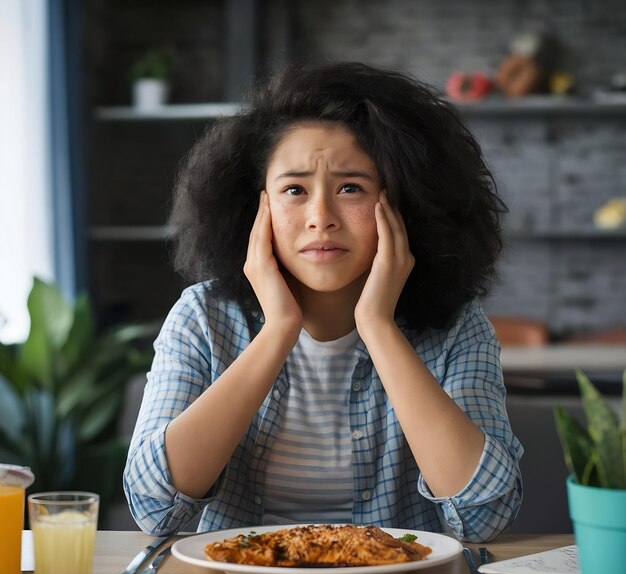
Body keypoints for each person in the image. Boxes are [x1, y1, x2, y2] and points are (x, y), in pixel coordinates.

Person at [123, 62, 523, 542]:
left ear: (403, 204)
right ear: (257, 208)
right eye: (294, 190)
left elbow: (485, 516)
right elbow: (155, 507)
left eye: (350, 188)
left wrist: (377, 326)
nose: (321, 217)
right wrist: (277, 332)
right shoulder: (201, 317)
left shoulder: (458, 326)